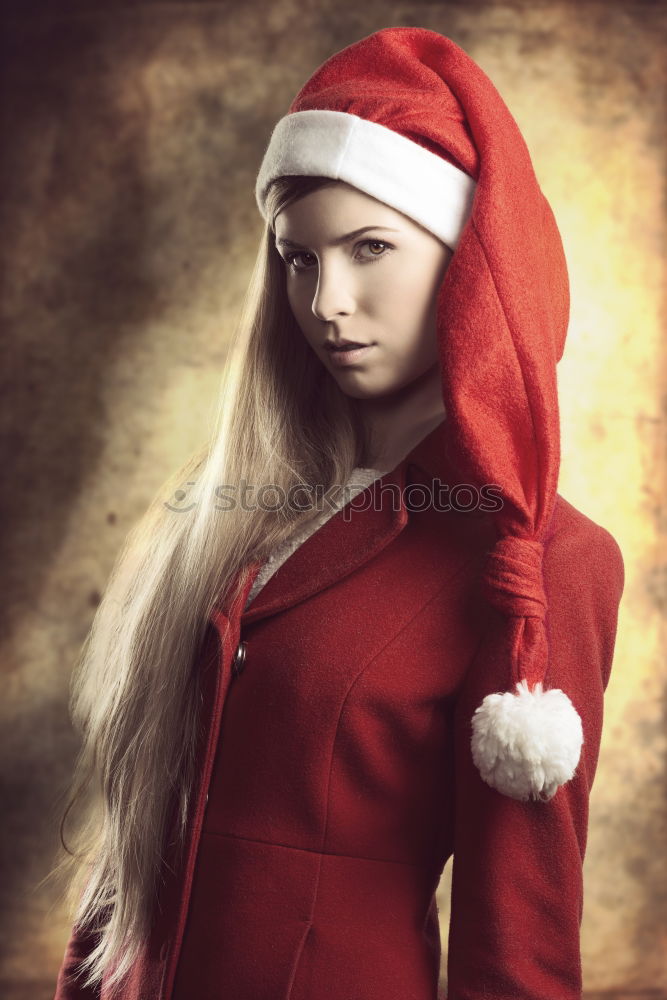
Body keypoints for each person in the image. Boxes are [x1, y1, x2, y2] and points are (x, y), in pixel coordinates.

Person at [53, 25, 624, 1000]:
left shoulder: (535, 557)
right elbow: (135, 847)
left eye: (370, 248)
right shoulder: (225, 508)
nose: (327, 302)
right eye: (298, 259)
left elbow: (516, 943)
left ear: (466, 262)